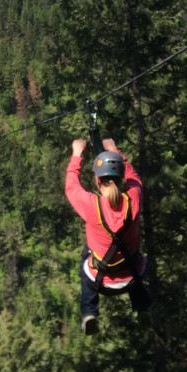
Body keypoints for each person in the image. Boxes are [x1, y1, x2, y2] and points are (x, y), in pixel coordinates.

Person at [65, 136, 152, 335]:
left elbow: (71, 187)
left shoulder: (91, 206)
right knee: (136, 262)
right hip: (131, 275)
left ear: (96, 180)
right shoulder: (134, 199)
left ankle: (89, 313)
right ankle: (143, 307)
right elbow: (135, 180)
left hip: (100, 279)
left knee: (85, 260)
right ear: (121, 179)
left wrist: (77, 155)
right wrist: (116, 151)